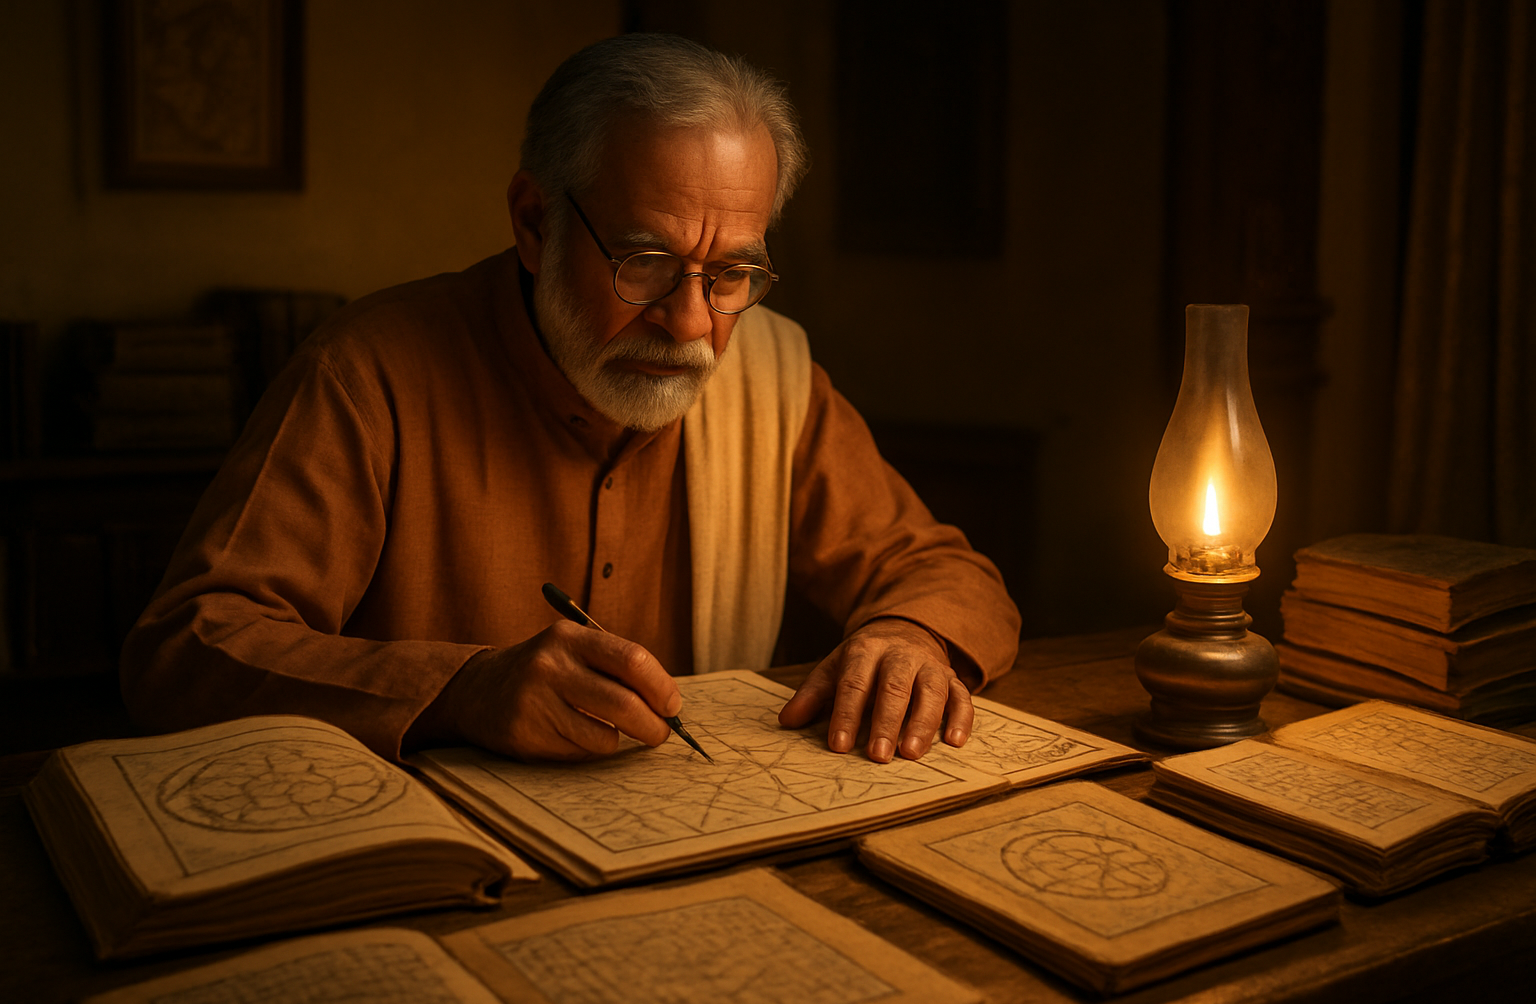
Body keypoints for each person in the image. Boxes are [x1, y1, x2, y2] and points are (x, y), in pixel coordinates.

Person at [121, 34, 1020, 766]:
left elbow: (948, 575)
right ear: (534, 222)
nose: (690, 325)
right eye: (645, 263)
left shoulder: (774, 382)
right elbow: (186, 650)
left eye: (733, 272)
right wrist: (461, 689)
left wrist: (909, 635)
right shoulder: (369, 374)